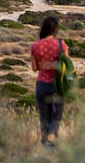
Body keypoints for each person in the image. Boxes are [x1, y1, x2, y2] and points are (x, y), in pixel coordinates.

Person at [30, 16, 68, 148]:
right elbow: (66, 65)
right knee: (56, 117)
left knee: (44, 117)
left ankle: (45, 145)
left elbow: (34, 68)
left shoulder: (35, 46)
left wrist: (44, 65)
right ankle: (51, 140)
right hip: (57, 85)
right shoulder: (61, 45)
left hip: (42, 84)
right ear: (55, 29)